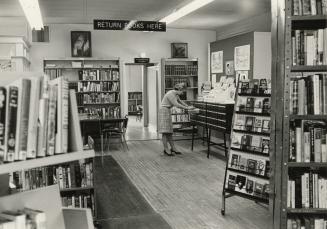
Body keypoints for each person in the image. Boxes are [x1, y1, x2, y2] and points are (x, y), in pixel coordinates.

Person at [158, 83, 194, 156]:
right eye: (183, 91)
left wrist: (188, 106)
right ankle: (166, 149)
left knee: (169, 131)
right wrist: (187, 108)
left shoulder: (175, 94)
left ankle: (173, 148)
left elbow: (180, 101)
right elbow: (176, 104)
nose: (183, 93)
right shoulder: (171, 94)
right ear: (180, 89)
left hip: (167, 111)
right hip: (164, 111)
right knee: (165, 132)